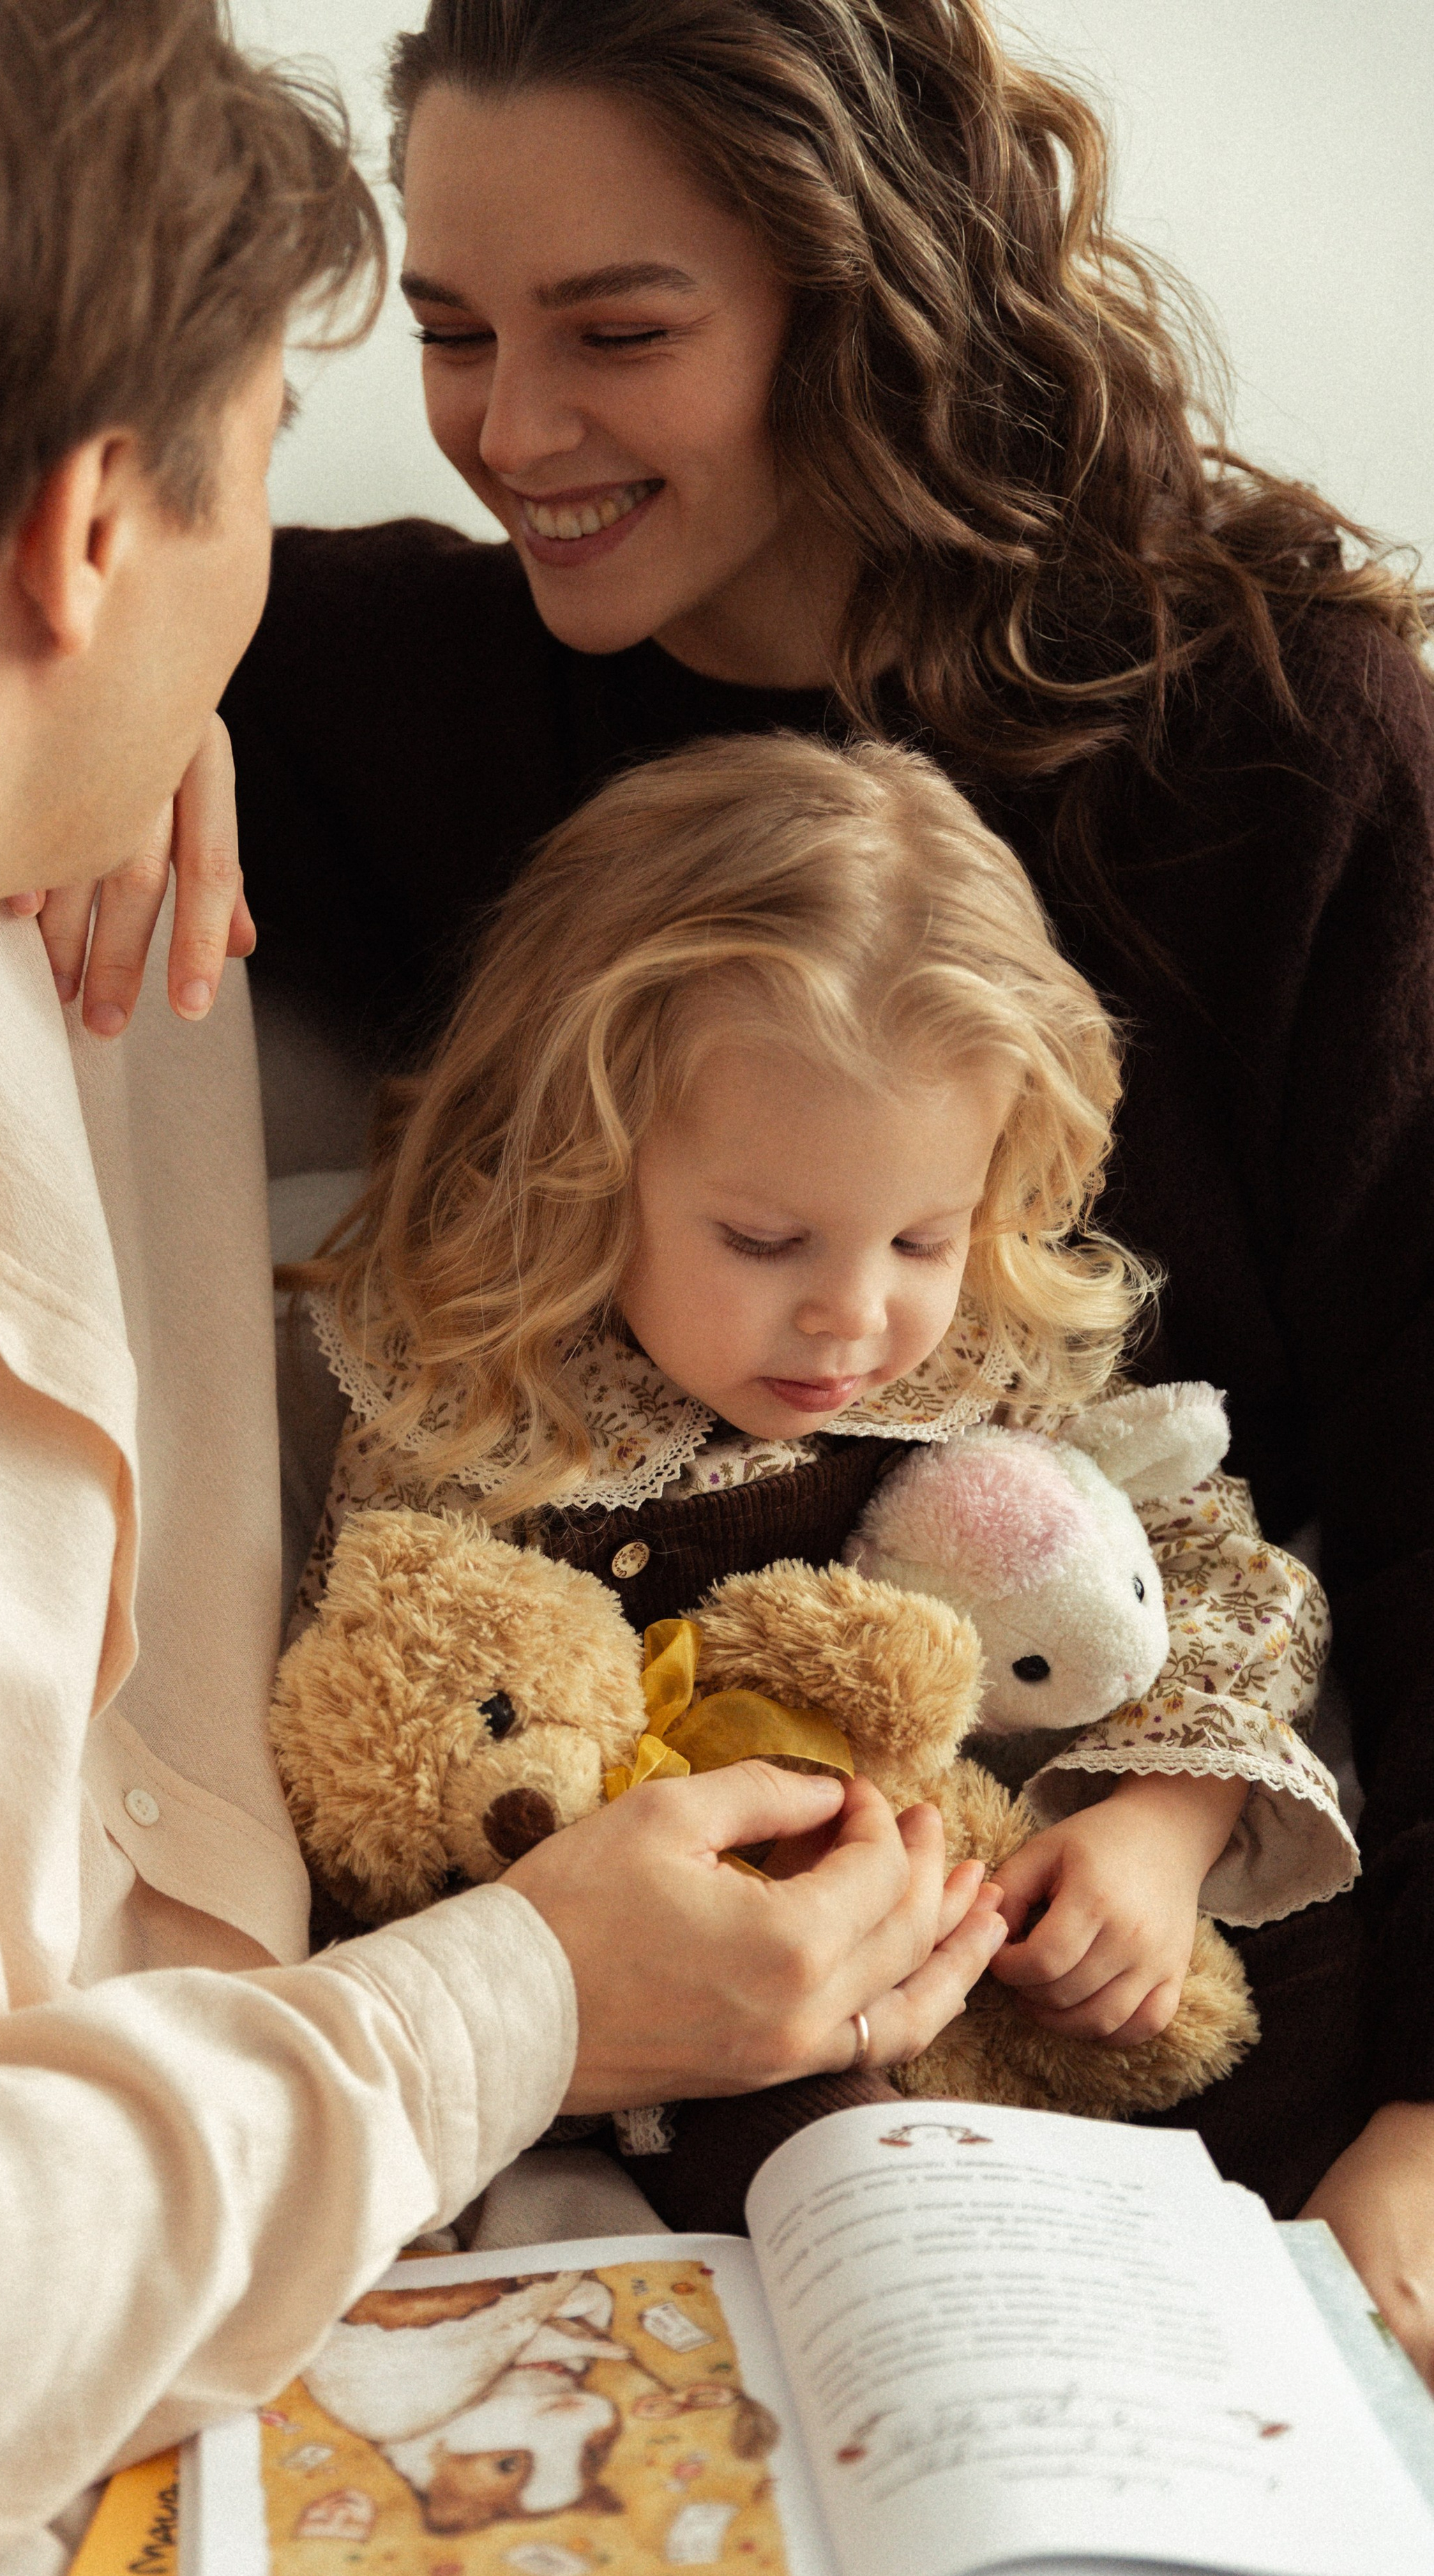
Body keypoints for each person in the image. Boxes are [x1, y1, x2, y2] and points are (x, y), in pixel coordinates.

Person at [0, 3, 1010, 2576]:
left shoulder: (69, 946)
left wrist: (69, 743)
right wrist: (518, 2001)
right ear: (78, 532)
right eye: (282, 454)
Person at [46, 0, 1434, 2361]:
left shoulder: (1289, 756)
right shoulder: (440, 689)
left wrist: (1428, 2109)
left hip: (1201, 1968)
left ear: (866, 299)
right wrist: (138, 697)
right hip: (684, 2035)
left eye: (619, 331)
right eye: (462, 334)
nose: (510, 431)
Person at [285, 729, 1351, 2228]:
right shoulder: (474, 1392)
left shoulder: (982, 1347)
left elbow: (1216, 1578)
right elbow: (400, 1713)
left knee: (1301, 2022)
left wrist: (1155, 1826)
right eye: (762, 1242)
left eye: (920, 1236)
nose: (854, 1317)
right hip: (646, 1989)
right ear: (580, 1165)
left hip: (965, 1937)